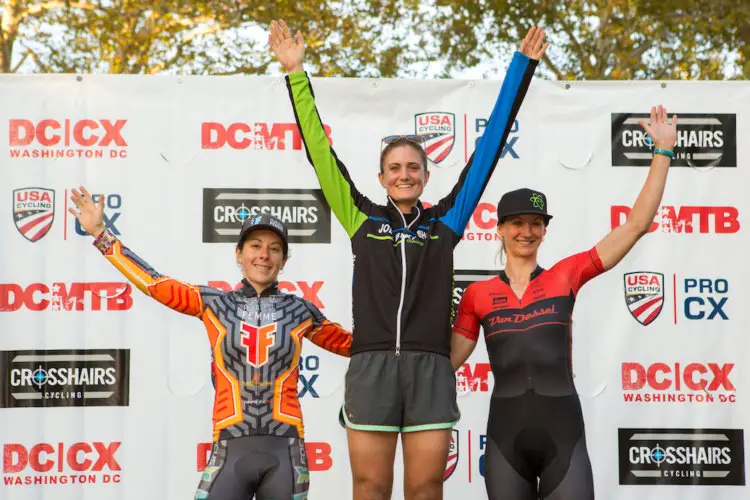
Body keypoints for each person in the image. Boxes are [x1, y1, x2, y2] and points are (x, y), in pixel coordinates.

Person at [269, 19, 548, 500]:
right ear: (380, 178)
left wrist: (521, 68)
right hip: (371, 367)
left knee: (424, 488)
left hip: (429, 369)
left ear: (424, 177)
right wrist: (296, 73)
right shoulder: (360, 218)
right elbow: (320, 150)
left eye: (413, 168)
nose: (404, 175)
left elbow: (487, 151)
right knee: (370, 486)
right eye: (395, 168)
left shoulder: (445, 224)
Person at [450, 106, 678, 499]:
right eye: (517, 223)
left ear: (545, 229)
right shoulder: (477, 294)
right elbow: (445, 362)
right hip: (506, 438)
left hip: (563, 433)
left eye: (536, 223)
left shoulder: (566, 275)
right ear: (500, 228)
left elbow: (637, 225)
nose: (527, 232)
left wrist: (663, 152)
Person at [68, 186, 352, 500]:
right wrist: (101, 235)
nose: (264, 255)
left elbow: (356, 346)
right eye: (255, 245)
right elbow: (153, 283)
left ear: (284, 259)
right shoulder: (212, 303)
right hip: (229, 449)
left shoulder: (302, 311)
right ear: (239, 253)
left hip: (286, 452)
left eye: (274, 249)